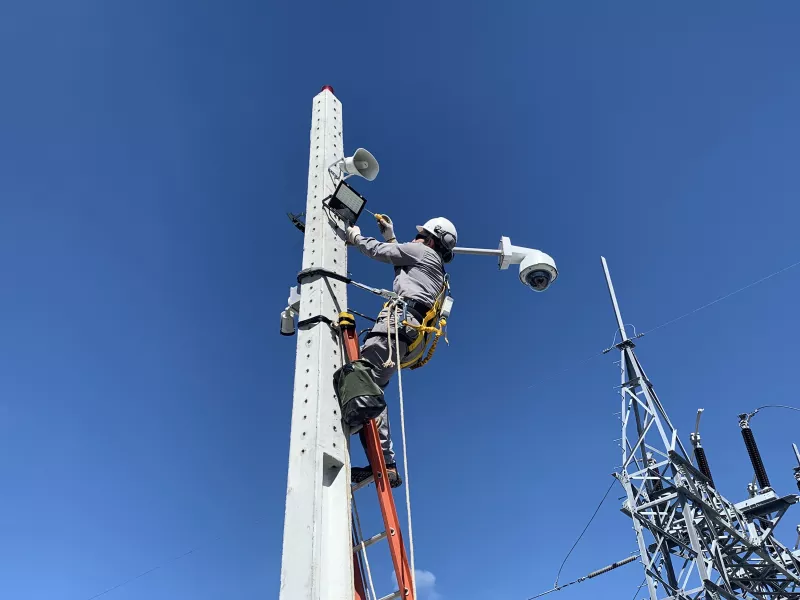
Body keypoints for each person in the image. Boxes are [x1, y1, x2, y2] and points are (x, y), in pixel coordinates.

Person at [344, 215, 457, 488]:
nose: (415, 239)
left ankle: (375, 450)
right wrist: (391, 236)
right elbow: (403, 268)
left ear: (430, 239)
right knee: (370, 389)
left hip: (395, 326)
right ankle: (384, 462)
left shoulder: (421, 251)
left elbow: (382, 253)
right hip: (407, 336)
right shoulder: (437, 271)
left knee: (360, 382)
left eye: (419, 236)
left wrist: (356, 237)